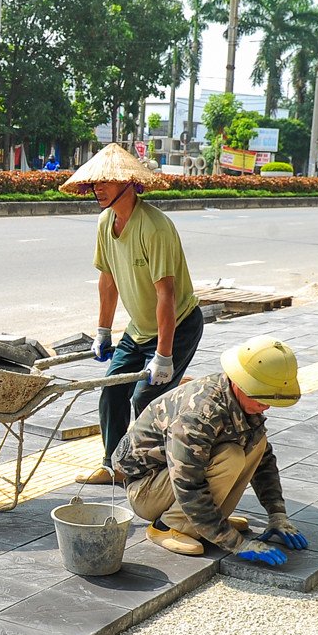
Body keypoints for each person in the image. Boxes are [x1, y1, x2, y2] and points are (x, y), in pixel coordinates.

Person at [61, 142, 204, 486]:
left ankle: (152, 473)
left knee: (146, 398)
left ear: (129, 184)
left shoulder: (153, 227)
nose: (97, 189)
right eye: (94, 183)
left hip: (177, 326)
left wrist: (164, 356)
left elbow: (166, 295)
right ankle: (112, 466)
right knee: (112, 392)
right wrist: (102, 331)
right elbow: (107, 282)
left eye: (105, 183)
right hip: (138, 330)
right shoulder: (104, 223)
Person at [112, 336, 309, 561]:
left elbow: (263, 462)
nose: (265, 406)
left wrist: (277, 514)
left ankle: (206, 521)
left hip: (171, 483)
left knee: (258, 444)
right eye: (259, 396)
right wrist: (234, 542)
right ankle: (168, 525)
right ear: (240, 382)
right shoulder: (199, 414)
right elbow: (188, 483)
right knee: (231, 457)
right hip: (147, 489)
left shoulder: (240, 401)